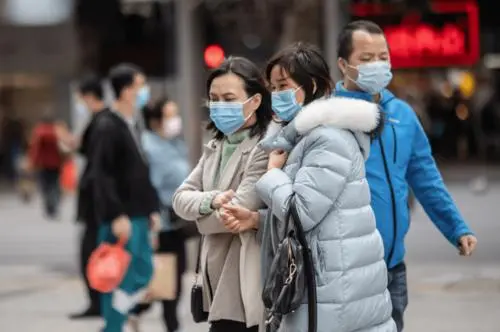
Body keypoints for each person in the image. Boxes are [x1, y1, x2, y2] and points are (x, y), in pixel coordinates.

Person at [223, 42, 396, 332]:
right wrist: (257, 220)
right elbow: (317, 216)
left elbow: (302, 214)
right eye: (273, 88)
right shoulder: (303, 137)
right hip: (331, 287)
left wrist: (272, 174)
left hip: (332, 291)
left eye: (283, 86)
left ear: (312, 84)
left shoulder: (328, 139)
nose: (276, 95)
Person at [334, 20, 477, 331]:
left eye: (383, 57)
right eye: (366, 58)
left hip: (393, 268)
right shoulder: (329, 116)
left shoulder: (402, 114)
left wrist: (456, 227)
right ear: (343, 65)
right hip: (346, 271)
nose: (377, 65)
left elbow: (425, 177)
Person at [172, 56, 273, 332]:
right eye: (214, 98)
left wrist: (199, 216)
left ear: (255, 101)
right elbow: (180, 198)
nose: (219, 106)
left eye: (229, 98)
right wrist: (212, 199)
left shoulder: (265, 147)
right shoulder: (216, 144)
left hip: (244, 274)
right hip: (213, 276)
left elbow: (238, 209)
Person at [85, 63, 160, 332]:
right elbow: (100, 176)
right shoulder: (108, 125)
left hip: (139, 213)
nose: (144, 91)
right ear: (127, 90)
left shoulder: (132, 123)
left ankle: (117, 322)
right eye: (140, 85)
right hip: (123, 217)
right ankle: (113, 327)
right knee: (120, 277)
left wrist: (151, 208)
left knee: (143, 273)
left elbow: (139, 171)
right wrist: (116, 215)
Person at [126, 98, 191, 332]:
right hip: (159, 223)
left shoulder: (174, 143)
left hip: (177, 222)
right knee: (167, 279)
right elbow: (144, 187)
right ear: (155, 121)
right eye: (170, 115)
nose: (175, 121)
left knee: (173, 275)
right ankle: (169, 325)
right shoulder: (147, 146)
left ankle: (134, 311)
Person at [69, 75, 109, 319]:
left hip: (97, 204)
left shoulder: (102, 122)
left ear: (87, 95)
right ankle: (98, 302)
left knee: (91, 253)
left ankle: (98, 302)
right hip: (96, 203)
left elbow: (99, 168)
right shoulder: (99, 121)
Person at [28, 112, 66, 219]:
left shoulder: (39, 132)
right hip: (56, 163)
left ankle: (49, 207)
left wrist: (32, 162)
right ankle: (54, 205)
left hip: (43, 164)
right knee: (55, 184)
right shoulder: (57, 132)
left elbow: (35, 150)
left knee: (45, 186)